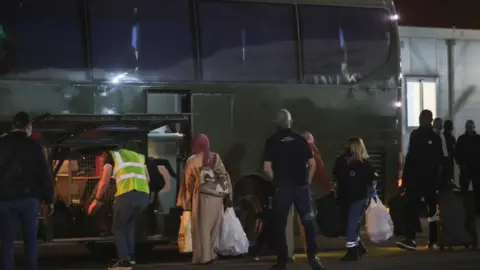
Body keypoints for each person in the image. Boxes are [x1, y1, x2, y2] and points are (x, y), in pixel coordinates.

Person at [263, 109, 323, 270]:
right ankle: (313, 257)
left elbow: (267, 169)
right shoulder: (300, 140)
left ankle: (282, 261)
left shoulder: (272, 141)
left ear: (276, 123)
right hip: (301, 188)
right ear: (291, 122)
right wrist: (307, 182)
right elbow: (313, 164)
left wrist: (276, 181)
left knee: (280, 224)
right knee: (308, 222)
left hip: (283, 189)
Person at [0, 111, 54, 270]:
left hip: (5, 199)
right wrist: (49, 199)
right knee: (30, 239)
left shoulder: (1, 144)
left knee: (7, 240)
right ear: (28, 126)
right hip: (29, 199)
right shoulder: (35, 145)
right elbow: (44, 173)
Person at [88, 142, 150, 270]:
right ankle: (130, 257)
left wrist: (97, 199)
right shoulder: (138, 156)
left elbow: (104, 180)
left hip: (127, 194)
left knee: (117, 227)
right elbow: (147, 178)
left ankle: (124, 262)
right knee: (128, 223)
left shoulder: (112, 156)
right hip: (144, 195)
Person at [176, 134, 232, 264]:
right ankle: (211, 253)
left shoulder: (191, 160)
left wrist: (186, 201)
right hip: (217, 198)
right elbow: (224, 176)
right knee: (214, 226)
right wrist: (228, 195)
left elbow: (187, 183)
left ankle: (204, 256)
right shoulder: (215, 157)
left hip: (202, 198)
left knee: (202, 228)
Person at [397, 110, 444, 250]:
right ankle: (433, 240)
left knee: (412, 208)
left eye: (421, 118)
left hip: (416, 179)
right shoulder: (434, 137)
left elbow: (411, 158)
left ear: (425, 119)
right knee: (432, 210)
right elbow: (440, 160)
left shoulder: (417, 135)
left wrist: (405, 180)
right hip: (429, 180)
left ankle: (411, 238)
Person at [332, 137, 376, 261]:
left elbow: (336, 177)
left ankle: (353, 251)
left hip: (347, 197)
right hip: (358, 197)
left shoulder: (342, 161)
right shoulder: (364, 164)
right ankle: (357, 247)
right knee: (353, 223)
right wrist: (371, 196)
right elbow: (372, 182)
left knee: (351, 223)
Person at [146, 157, 176, 233]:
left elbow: (166, 161)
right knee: (151, 204)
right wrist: (173, 174)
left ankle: (153, 229)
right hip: (155, 185)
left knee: (151, 205)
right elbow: (166, 161)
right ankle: (154, 228)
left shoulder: (149, 161)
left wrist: (173, 174)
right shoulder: (151, 160)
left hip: (154, 185)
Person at [455, 120, 480, 203]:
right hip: (465, 168)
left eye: (470, 127)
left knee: (477, 190)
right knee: (465, 191)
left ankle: (476, 210)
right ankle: (466, 209)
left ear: (473, 127)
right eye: (468, 127)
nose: (469, 129)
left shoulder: (477, 139)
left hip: (476, 169)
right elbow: (457, 153)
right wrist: (461, 164)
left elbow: (457, 153)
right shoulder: (461, 139)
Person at [433, 118, 451, 190]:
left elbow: (444, 147)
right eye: (439, 123)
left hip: (444, 159)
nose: (441, 125)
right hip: (437, 160)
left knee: (443, 180)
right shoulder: (433, 134)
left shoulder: (441, 134)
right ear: (435, 124)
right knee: (437, 179)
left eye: (441, 123)